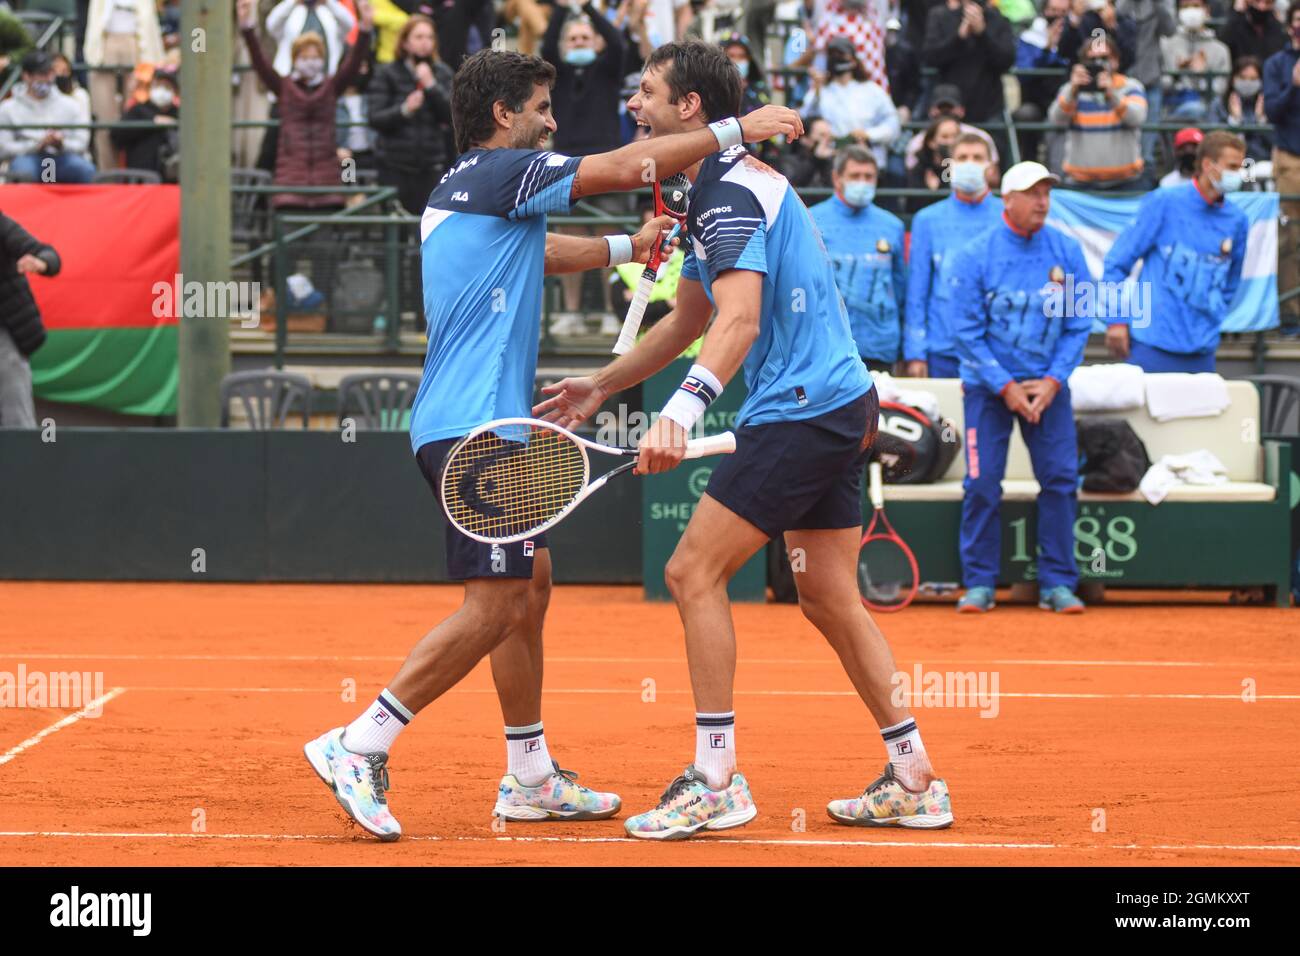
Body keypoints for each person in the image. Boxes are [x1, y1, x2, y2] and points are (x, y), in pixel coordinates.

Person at [300, 45, 804, 840]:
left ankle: (529, 773)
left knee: (529, 588)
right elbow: (629, 162)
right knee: (497, 600)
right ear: (504, 116)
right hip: (475, 429)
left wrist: (624, 250)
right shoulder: (504, 172)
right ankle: (360, 742)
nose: (552, 120)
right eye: (540, 106)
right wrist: (736, 129)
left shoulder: (467, 192)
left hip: (477, 424)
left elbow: (532, 252)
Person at [537, 40, 953, 839]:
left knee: (691, 571)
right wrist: (604, 385)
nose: (635, 106)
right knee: (829, 595)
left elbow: (740, 321)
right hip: (839, 403)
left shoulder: (728, 192)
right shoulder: (710, 192)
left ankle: (716, 777)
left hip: (801, 410)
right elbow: (689, 319)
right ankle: (914, 777)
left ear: (690, 107)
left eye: (649, 93)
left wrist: (681, 413)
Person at [947, 161, 1093, 615]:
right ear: (1007, 199)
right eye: (1033, 193)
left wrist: (1051, 382)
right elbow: (965, 333)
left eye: (1047, 193)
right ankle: (979, 583)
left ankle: (1057, 583)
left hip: (1049, 386)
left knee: (1061, 480)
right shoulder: (974, 255)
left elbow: (1079, 324)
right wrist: (1006, 386)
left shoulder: (1068, 252)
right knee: (983, 483)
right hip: (989, 390)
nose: (1042, 202)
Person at [1102, 131, 1250, 373]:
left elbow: (1232, 279)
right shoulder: (1164, 202)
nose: (1238, 174)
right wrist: (1116, 320)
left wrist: (1214, 314)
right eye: (1232, 166)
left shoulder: (1237, 220)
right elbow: (1117, 263)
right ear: (1207, 165)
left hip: (1202, 351)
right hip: (1151, 347)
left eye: (1241, 167)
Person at [903, 132, 1003, 378]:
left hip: (998, 347)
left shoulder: (1007, 215)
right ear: (950, 165)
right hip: (943, 349)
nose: (970, 163)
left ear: (991, 167)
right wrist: (915, 351)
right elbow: (917, 289)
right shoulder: (927, 220)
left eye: (978, 158)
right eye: (962, 157)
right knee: (946, 418)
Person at [809, 145, 906, 373]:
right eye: (855, 176)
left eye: (869, 176)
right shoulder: (811, 220)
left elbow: (900, 287)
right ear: (837, 178)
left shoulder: (892, 225)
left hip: (879, 345)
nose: (862, 182)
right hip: (827, 346)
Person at [368, 14, 454, 214]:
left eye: (430, 38)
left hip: (432, 165)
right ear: (405, 42)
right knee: (396, 231)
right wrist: (404, 110)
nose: (425, 43)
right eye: (419, 37)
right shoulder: (386, 73)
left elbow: (454, 117)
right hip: (394, 165)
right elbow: (375, 118)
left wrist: (431, 86)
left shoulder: (442, 73)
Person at [1048, 30, 1147, 188]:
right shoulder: (1071, 89)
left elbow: (1136, 118)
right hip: (1080, 183)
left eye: (1104, 58)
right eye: (1092, 59)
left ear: (1115, 60)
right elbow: (1056, 120)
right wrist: (1072, 90)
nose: (1099, 64)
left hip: (1126, 183)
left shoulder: (1131, 86)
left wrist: (1112, 94)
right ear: (1083, 62)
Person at [84, 0, 164, 170]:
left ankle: (137, 173)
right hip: (104, 43)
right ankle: (109, 175)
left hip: (138, 44)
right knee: (105, 116)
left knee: (137, 113)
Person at [798, 36, 900, 169]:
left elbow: (893, 124)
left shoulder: (873, 90)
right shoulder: (820, 91)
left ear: (853, 59)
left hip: (867, 160)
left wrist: (868, 134)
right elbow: (804, 119)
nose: (837, 58)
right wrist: (817, 90)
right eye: (833, 55)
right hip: (831, 162)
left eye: (841, 54)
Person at [0, 213, 60, 429]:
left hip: (6, 335)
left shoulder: (2, 226)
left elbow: (49, 255)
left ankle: (22, 458)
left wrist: (41, 262)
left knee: (16, 419)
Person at [0, 51, 96, 184]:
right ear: (26, 76)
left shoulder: (70, 104)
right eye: (41, 74)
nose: (47, 78)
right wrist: (36, 145)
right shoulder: (7, 107)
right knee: (22, 171)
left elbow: (81, 142)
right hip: (26, 157)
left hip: (62, 156)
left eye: (50, 73)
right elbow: (4, 148)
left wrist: (61, 144)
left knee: (84, 169)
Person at [1264, 2, 1300, 331]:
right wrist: (1294, 85)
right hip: (1291, 157)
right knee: (1290, 236)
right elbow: (1272, 111)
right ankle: (1291, 312)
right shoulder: (1277, 64)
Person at [922, 0, 1017, 124]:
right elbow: (930, 57)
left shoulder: (999, 20)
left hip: (989, 107)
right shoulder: (940, 16)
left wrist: (982, 33)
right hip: (949, 106)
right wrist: (959, 38)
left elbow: (1007, 60)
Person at [1116, 0, 1177, 169]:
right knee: (1124, 138)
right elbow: (1116, 18)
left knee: (1148, 145)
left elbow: (1170, 29)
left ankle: (1146, 180)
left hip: (1151, 78)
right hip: (1123, 80)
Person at [1160, 0, 1232, 121]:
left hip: (1208, 112)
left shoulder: (1220, 49)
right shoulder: (1166, 44)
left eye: (1196, 6)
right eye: (1185, 7)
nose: (1191, 11)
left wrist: (1202, 75)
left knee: (1198, 109)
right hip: (1171, 108)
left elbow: (1220, 90)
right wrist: (1177, 73)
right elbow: (1161, 85)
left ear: (1206, 10)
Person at [111, 65, 179, 179]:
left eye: (167, 87)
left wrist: (173, 125)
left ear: (175, 91)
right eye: (158, 85)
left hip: (172, 180)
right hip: (140, 179)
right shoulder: (138, 110)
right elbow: (116, 135)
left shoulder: (180, 114)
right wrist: (152, 122)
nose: (162, 90)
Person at [1208, 55, 1274, 160]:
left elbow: (1276, 144)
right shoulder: (1218, 105)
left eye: (1253, 79)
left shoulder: (1269, 104)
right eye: (1242, 78)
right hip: (1229, 163)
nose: (1248, 82)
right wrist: (1234, 121)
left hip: (1262, 162)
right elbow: (1213, 142)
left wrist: (1261, 121)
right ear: (1233, 79)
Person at [266, 0, 358, 75]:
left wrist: (328, 2)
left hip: (326, 82)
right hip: (290, 81)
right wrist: (293, 2)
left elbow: (349, 24)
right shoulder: (292, 13)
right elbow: (271, 24)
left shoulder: (329, 13)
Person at [1222, 0, 1287, 65]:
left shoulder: (1278, 29)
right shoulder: (1236, 26)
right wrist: (1236, 13)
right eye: (1257, 1)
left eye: (1268, 2)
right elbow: (1224, 41)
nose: (1262, 7)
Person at [780, 114, 837, 188]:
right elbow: (793, 185)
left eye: (829, 136)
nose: (827, 140)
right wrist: (816, 159)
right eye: (822, 135)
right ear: (805, 139)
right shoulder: (789, 162)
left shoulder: (833, 161)